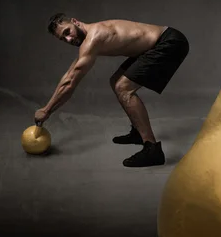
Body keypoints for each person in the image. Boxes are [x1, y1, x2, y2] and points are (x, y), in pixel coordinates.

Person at [35, 13, 190, 168]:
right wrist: (47, 108)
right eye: (63, 39)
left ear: (75, 22)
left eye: (67, 32)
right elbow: (71, 73)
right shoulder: (90, 38)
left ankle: (152, 150)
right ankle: (138, 132)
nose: (69, 40)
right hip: (157, 43)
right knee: (116, 81)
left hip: (169, 42)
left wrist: (47, 110)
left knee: (123, 87)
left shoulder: (94, 37)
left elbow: (70, 82)